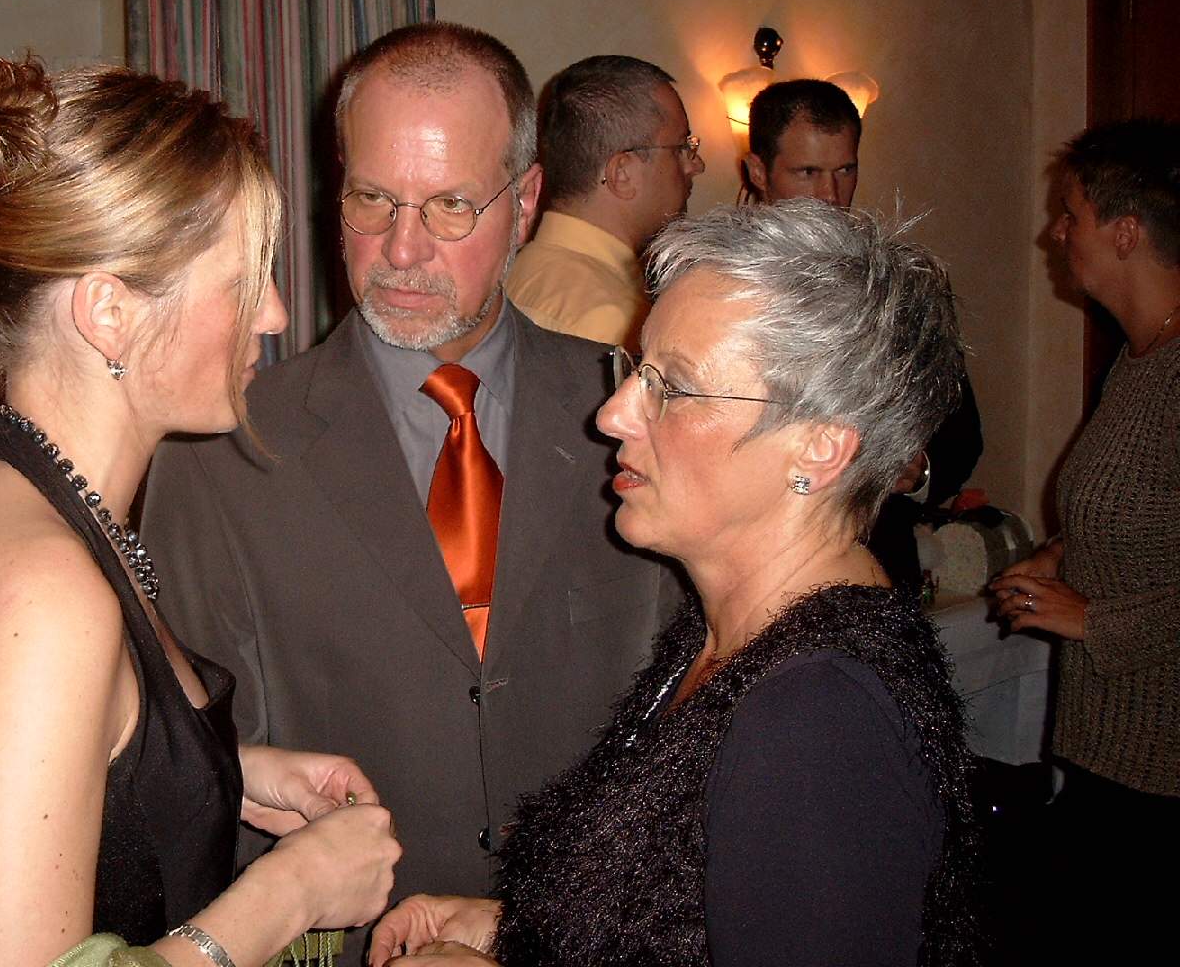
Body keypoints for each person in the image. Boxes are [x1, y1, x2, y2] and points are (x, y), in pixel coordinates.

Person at [143, 23, 683, 962]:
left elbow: (687, 725)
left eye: (450, 207)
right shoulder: (223, 451)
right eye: (372, 200)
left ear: (526, 203)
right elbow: (198, 794)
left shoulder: (633, 409)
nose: (400, 250)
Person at [0, 59, 400, 967]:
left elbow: (71, 770)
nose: (273, 314)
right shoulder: (35, 597)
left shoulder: (18, 486)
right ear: (109, 313)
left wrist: (222, 776)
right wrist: (293, 892)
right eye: (244, 281)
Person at [372, 201, 982, 967]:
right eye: (637, 371)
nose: (613, 413)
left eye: (675, 388)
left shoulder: (821, 723)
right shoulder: (728, 632)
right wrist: (516, 931)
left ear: (819, 449)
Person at [990, 118, 1180, 962]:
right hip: (1113, 748)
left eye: (1072, 215)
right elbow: (1149, 511)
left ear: (1127, 232)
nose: (1054, 233)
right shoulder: (1138, 360)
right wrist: (1061, 554)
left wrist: (1092, 620)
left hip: (1165, 763)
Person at [743, 78, 983, 593]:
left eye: (845, 170)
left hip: (876, 567)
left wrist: (919, 472)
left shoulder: (902, 284)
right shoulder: (720, 282)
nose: (831, 196)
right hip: (752, 568)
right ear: (759, 171)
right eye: (808, 173)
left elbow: (961, 433)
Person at [504, 55, 704, 348]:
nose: (696, 165)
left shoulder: (515, 275)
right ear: (622, 174)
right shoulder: (617, 324)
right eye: (681, 148)